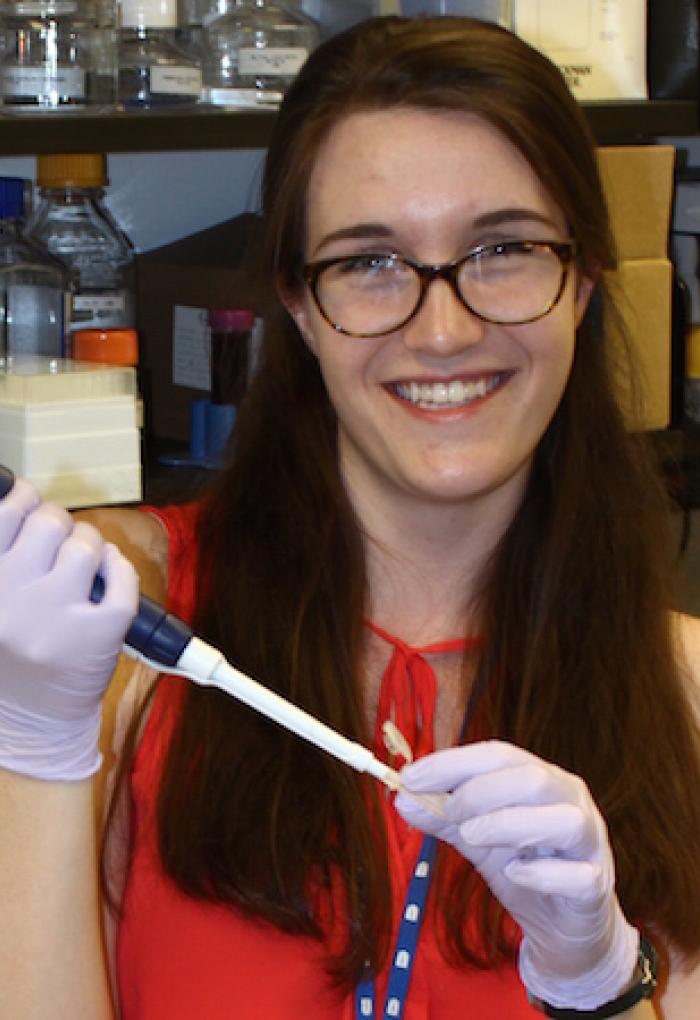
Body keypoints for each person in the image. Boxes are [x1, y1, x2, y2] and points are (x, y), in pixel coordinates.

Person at [1, 15, 699, 1019]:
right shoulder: (119, 619)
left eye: (501, 248)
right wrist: (31, 752)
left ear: (583, 280)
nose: (445, 328)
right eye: (370, 263)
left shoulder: (683, 699)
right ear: (297, 303)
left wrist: (599, 986)